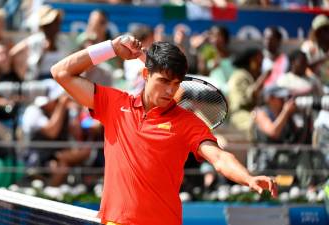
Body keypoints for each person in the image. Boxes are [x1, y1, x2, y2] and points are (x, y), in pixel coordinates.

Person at [50, 36, 277, 225]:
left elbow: (218, 157)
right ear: (146, 75)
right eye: (164, 81)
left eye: (176, 83)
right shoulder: (114, 104)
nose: (170, 90)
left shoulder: (187, 122)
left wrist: (248, 178)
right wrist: (110, 48)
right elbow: (61, 72)